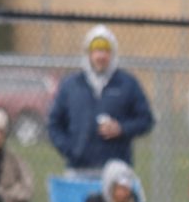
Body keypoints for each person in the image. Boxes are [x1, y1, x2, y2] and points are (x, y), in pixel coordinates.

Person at [48, 25, 155, 174]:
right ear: (89, 53)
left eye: (105, 50)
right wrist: (70, 149)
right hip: (78, 170)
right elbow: (54, 123)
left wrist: (121, 128)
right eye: (96, 50)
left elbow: (146, 120)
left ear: (112, 53)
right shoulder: (71, 85)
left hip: (116, 171)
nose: (101, 56)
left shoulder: (127, 84)